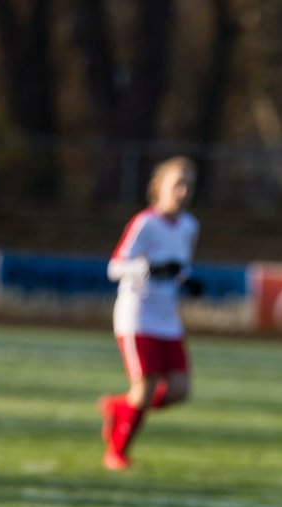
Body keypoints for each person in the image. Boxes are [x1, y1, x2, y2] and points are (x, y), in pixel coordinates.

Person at [101, 156, 202, 470]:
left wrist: (188, 281)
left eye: (188, 185)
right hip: (138, 314)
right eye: (177, 184)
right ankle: (116, 454)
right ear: (159, 187)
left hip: (167, 318)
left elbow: (179, 267)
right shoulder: (145, 222)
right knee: (144, 388)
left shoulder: (189, 226)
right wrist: (149, 268)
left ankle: (120, 406)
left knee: (179, 390)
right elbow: (114, 268)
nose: (183, 191)